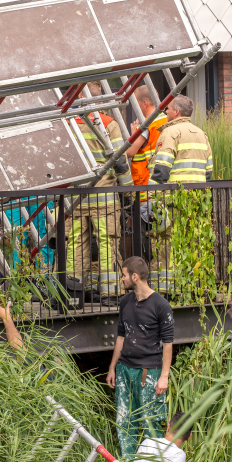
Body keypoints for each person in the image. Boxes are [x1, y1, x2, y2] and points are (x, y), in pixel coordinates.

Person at [68, 82, 132, 305]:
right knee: (107, 243)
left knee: (76, 244)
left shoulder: (68, 124)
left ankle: (74, 293)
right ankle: (111, 293)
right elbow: (120, 162)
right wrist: (128, 194)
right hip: (104, 197)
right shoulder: (108, 124)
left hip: (75, 199)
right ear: (101, 100)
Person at [107, 256, 174, 460]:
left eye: (124, 275)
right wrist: (112, 368)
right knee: (124, 420)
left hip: (149, 372)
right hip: (124, 370)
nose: (121, 279)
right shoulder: (125, 301)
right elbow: (121, 335)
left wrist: (164, 376)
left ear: (134, 277)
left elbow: (168, 343)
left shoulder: (161, 305)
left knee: (150, 422)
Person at [146, 95, 213, 294]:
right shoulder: (202, 134)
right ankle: (191, 287)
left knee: (166, 241)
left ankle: (165, 290)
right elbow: (208, 172)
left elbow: (162, 170)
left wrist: (150, 198)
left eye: (167, 109)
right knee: (193, 241)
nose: (165, 112)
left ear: (176, 112)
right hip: (197, 198)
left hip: (173, 199)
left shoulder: (170, 133)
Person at [124, 85, 169, 189]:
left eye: (136, 103)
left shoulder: (147, 125)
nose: (135, 107)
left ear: (145, 103)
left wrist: (134, 134)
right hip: (165, 182)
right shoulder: (167, 120)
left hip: (146, 183)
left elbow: (129, 152)